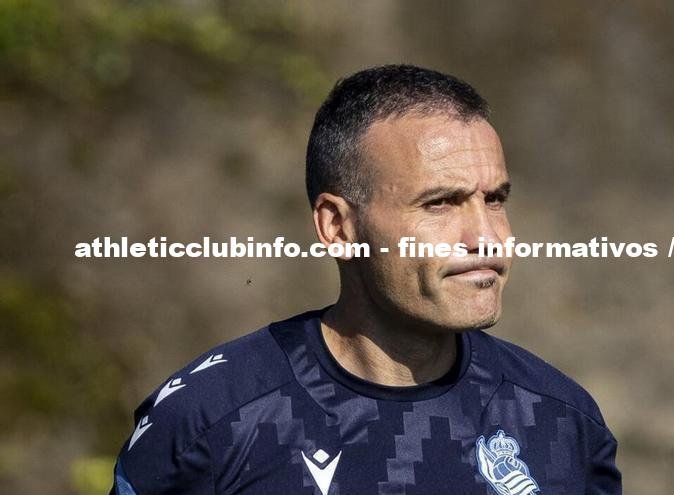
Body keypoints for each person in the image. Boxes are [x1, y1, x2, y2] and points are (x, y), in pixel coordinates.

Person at [110, 64, 622, 495]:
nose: (486, 237)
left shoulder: (562, 420)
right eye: (439, 203)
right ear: (338, 227)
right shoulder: (211, 421)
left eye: (495, 199)